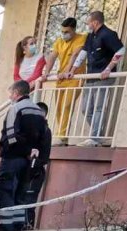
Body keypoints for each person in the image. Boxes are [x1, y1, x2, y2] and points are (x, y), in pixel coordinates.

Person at [64, 10, 125, 146]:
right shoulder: (91, 36)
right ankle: (98, 135)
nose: (88, 25)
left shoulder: (108, 34)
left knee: (98, 108)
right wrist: (72, 70)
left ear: (95, 22)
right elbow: (83, 53)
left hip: (103, 78)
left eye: (88, 23)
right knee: (86, 109)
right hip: (90, 76)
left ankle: (94, 138)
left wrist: (108, 68)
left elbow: (121, 50)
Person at [0, 80, 48, 231]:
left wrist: (19, 150)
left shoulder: (15, 109)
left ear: (16, 93)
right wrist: (32, 151)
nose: (10, 97)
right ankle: (17, 229)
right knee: (20, 196)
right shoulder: (38, 111)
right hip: (28, 161)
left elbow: (11, 136)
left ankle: (5, 230)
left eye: (11, 93)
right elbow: (43, 136)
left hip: (12, 159)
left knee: (5, 194)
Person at [43, 17, 86, 145]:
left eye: (67, 32)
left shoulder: (81, 38)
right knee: (59, 107)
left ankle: (61, 136)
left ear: (74, 29)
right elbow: (52, 57)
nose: (64, 34)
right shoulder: (59, 42)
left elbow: (75, 55)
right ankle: (63, 137)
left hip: (74, 77)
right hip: (61, 78)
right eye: (62, 32)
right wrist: (46, 73)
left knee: (67, 105)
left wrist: (67, 71)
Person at [20, 102, 53, 229]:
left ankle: (27, 229)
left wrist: (33, 163)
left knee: (28, 204)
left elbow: (43, 157)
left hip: (34, 174)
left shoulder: (45, 131)